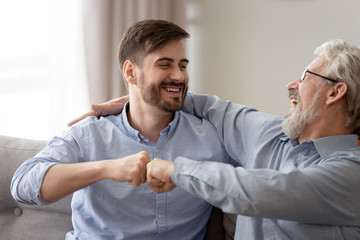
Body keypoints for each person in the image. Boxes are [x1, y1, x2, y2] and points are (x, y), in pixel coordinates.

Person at [75, 39, 360, 239]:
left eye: (305, 77)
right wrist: (141, 97)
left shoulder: (351, 173)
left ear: (335, 93)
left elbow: (258, 191)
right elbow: (210, 106)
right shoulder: (270, 134)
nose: (291, 85)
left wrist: (176, 170)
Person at [11, 19, 235, 240]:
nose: (179, 76)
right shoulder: (89, 134)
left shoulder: (213, 139)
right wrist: (107, 168)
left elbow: (262, 172)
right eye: (165, 65)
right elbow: (23, 184)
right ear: (131, 72)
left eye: (183, 66)